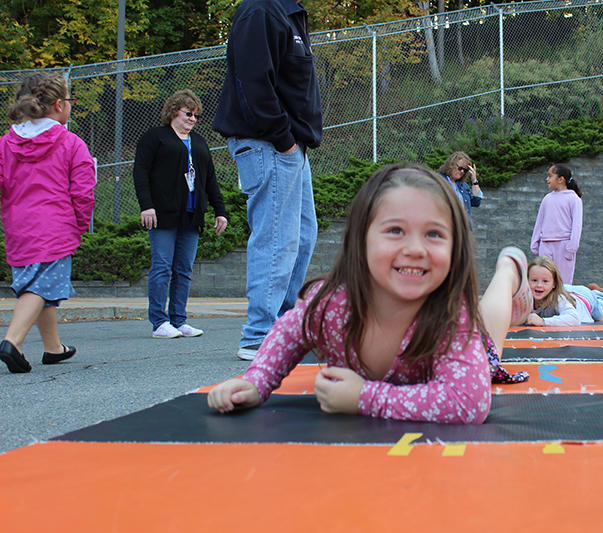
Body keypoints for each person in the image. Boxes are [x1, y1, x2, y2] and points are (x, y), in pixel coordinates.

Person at [207, 165, 534, 424]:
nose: (415, 249)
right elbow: (290, 330)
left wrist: (365, 397)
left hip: (465, 334)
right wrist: (257, 381)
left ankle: (508, 268)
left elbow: (469, 403)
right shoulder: (334, 305)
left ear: (455, 249)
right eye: (395, 231)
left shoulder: (452, 316)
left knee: (489, 327)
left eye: (434, 234)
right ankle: (507, 269)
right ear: (361, 242)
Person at [213, 0, 323, 360]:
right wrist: (284, 139)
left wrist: (294, 142)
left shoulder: (287, 11)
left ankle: (283, 328)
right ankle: (259, 335)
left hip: (288, 145)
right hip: (270, 142)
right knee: (277, 238)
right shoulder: (260, 9)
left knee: (303, 236)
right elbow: (253, 81)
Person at [0, 74, 95, 373]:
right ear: (58, 105)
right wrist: (79, 224)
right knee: (40, 288)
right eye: (69, 101)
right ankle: (11, 342)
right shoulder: (71, 143)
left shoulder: (6, 143)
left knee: (40, 285)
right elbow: (83, 191)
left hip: (18, 227)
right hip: (55, 226)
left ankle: (53, 347)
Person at [133, 89, 228, 339]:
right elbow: (140, 171)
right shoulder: (155, 137)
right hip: (163, 214)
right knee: (162, 267)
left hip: (191, 215)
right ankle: (159, 322)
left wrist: (220, 211)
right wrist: (146, 205)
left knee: (184, 269)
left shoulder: (198, 142)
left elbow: (210, 179)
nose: (193, 119)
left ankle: (179, 319)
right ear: (174, 111)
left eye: (196, 115)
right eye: (188, 113)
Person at [530, 164, 583, 284]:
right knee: (544, 280)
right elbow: (539, 221)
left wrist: (571, 248)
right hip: (545, 245)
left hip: (563, 246)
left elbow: (577, 226)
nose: (547, 179)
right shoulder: (547, 199)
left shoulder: (574, 199)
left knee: (563, 283)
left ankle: (562, 303)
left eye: (550, 176)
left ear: (561, 179)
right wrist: (535, 242)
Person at [525, 256, 603, 327]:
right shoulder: (525, 297)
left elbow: (574, 318)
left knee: (601, 315)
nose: (539, 285)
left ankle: (597, 292)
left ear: (554, 283)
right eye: (534, 280)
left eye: (545, 281)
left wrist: (543, 322)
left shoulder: (558, 299)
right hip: (566, 290)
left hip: (586, 299)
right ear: (527, 280)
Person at [438, 151, 483, 229]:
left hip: (462, 229)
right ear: (451, 165)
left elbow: (476, 201)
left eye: (465, 170)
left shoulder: (463, 185)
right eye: (460, 168)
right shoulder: (439, 180)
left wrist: (474, 181)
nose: (462, 171)